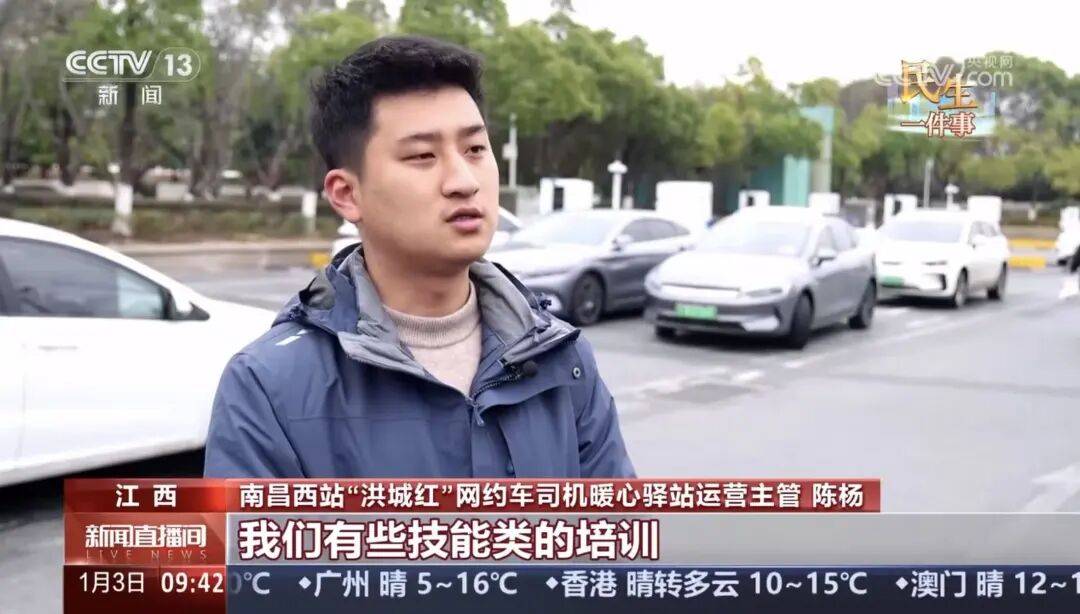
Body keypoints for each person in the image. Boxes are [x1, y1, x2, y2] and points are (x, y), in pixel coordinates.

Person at [203, 35, 635, 479]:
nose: (464, 181)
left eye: (475, 149)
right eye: (423, 156)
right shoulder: (270, 386)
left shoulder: (561, 358)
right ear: (347, 194)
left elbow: (617, 518)